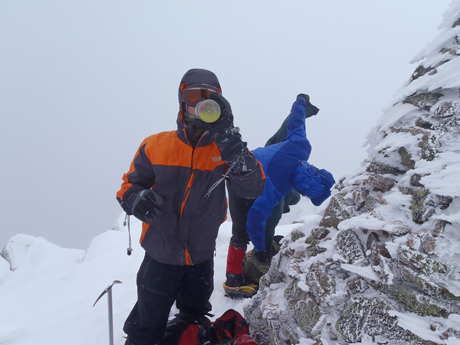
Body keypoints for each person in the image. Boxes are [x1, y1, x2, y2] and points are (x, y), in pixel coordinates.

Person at [116, 68, 265, 345]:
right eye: (192, 97)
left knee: (194, 317)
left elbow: (252, 186)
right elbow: (128, 186)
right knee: (146, 329)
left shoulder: (227, 151)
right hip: (159, 257)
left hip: (200, 258)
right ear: (181, 102)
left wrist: (230, 140)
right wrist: (135, 199)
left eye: (210, 99)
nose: (200, 105)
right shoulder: (156, 145)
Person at [223, 94, 335, 298]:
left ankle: (263, 245)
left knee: (269, 214)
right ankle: (233, 279)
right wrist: (260, 249)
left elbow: (295, 121)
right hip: (239, 178)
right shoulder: (275, 188)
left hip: (250, 159)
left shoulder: (301, 147)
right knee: (241, 232)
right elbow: (254, 221)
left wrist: (300, 103)